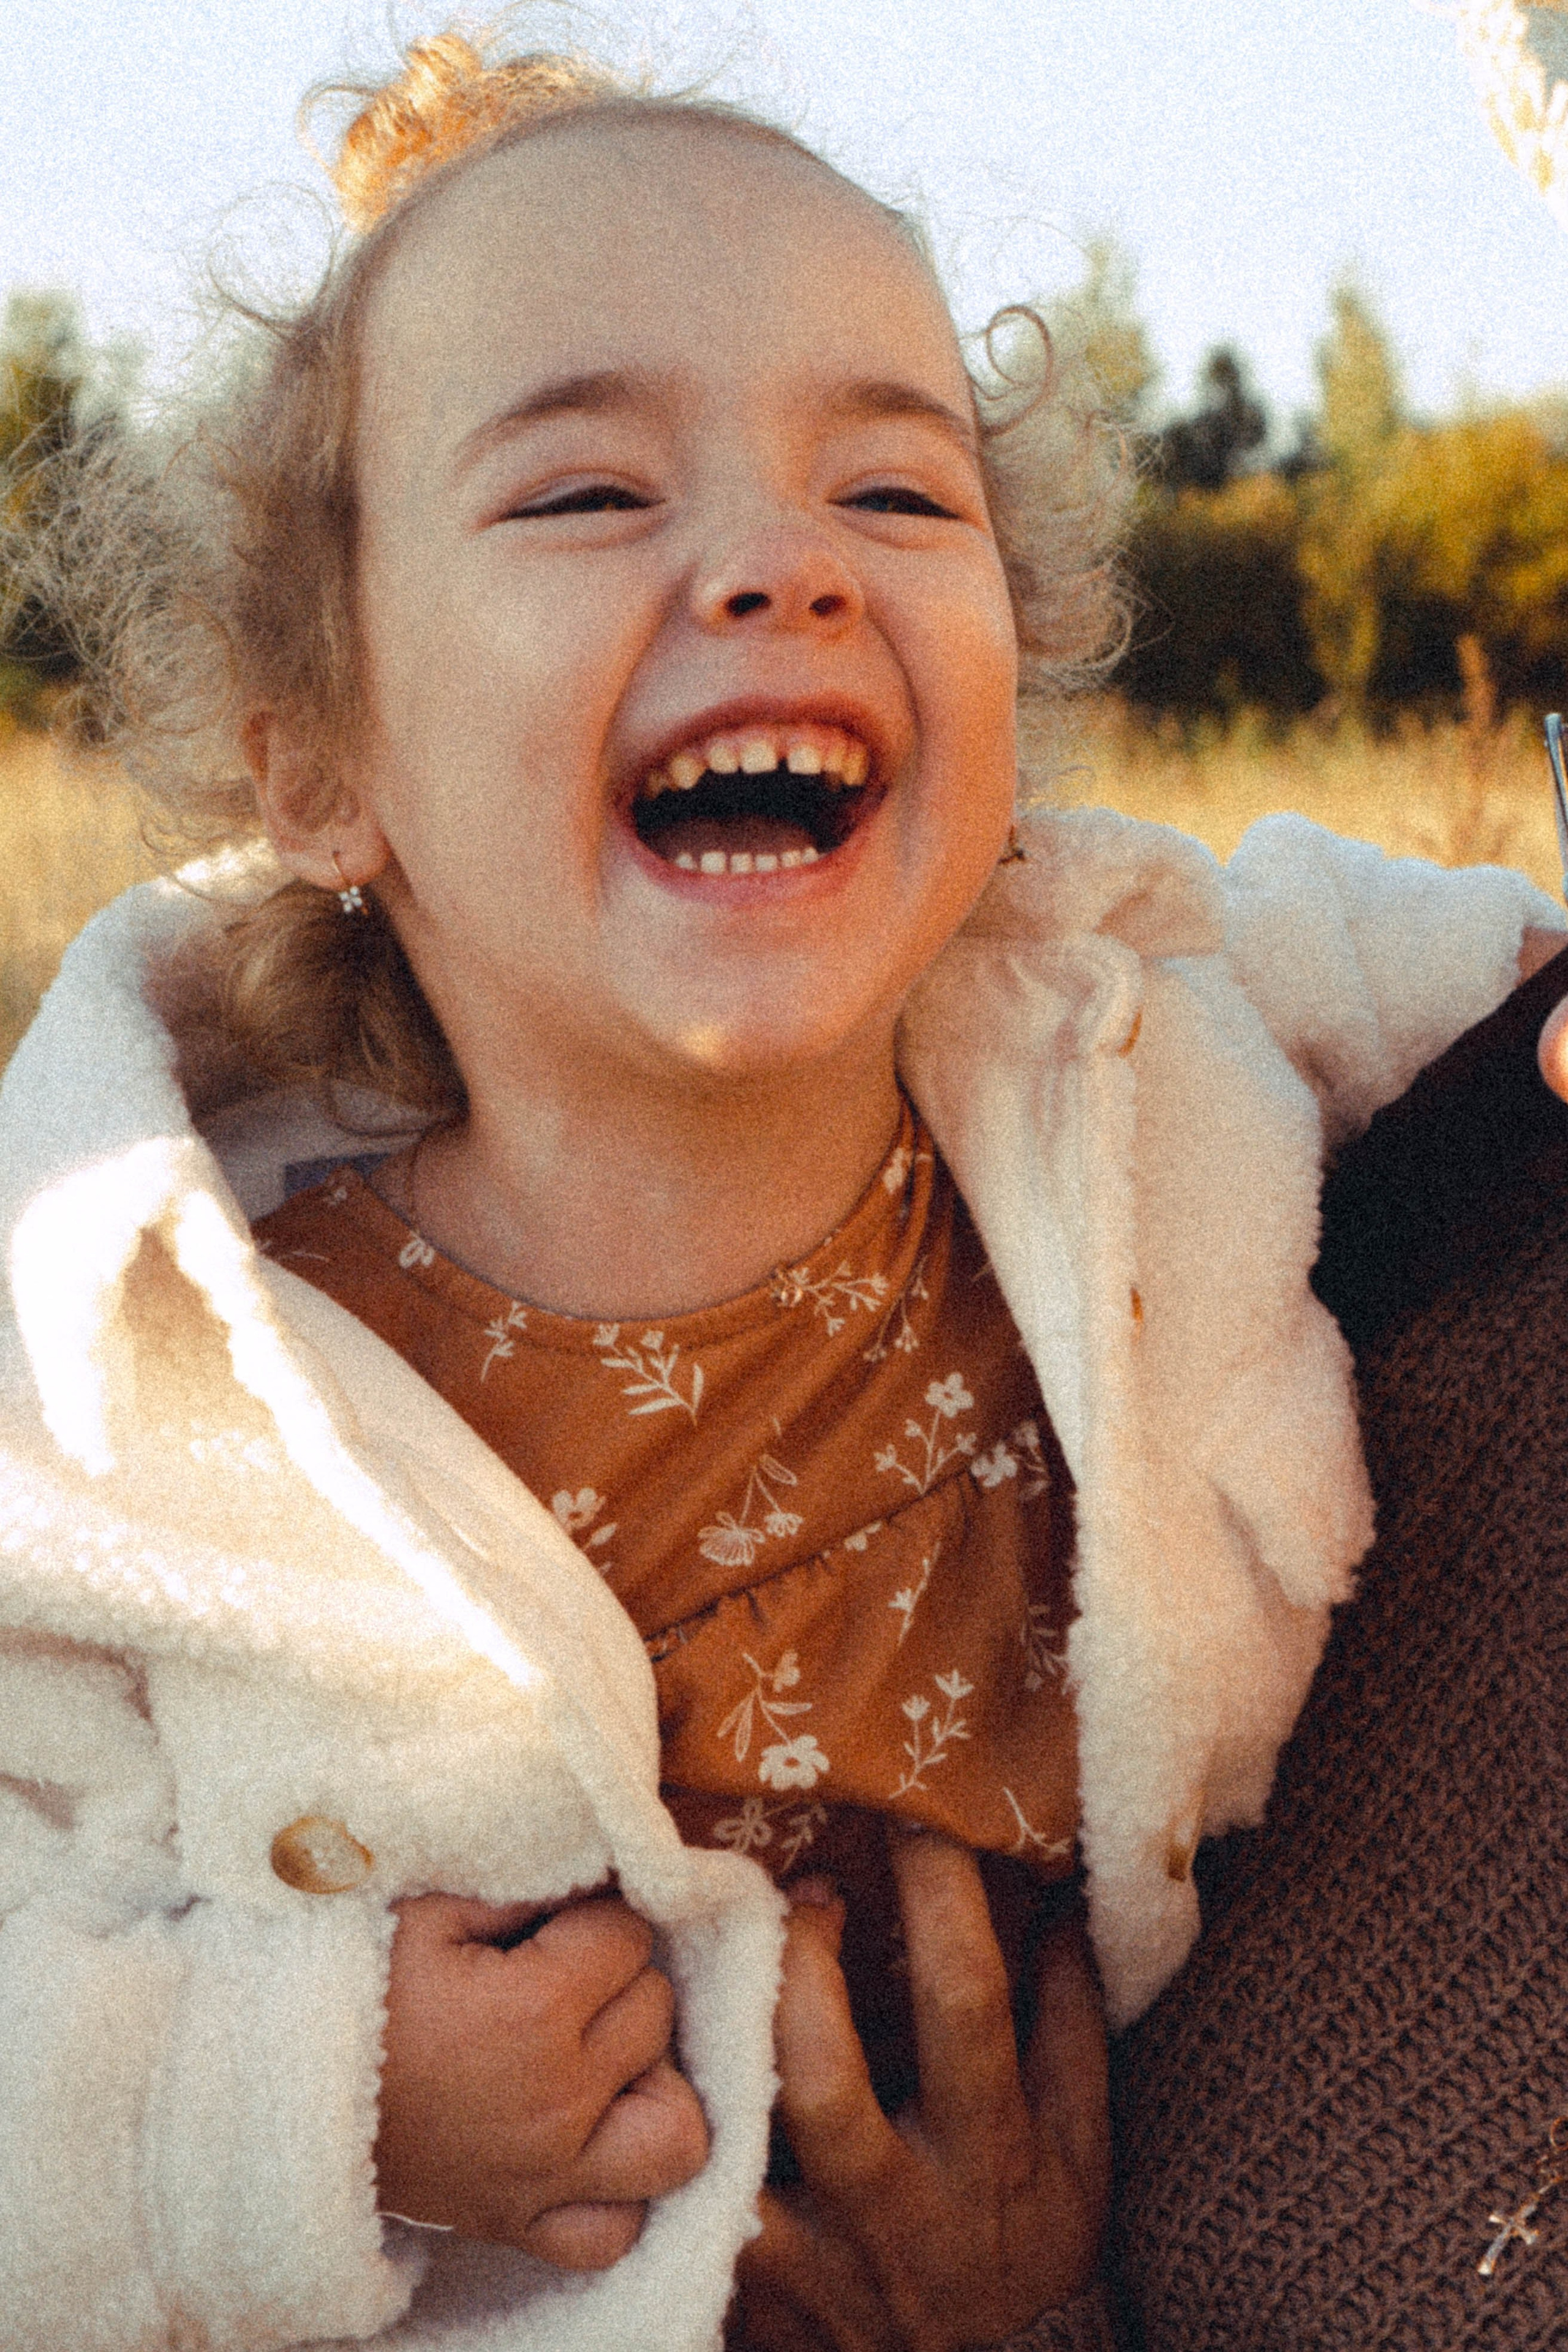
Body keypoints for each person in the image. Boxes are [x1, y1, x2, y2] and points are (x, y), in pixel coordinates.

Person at [0, 28, 1557, 2352]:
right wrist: (313, 2100)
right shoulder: (145, 1396)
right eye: (585, 495)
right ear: (319, 764)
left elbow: (1511, 997)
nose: (781, 564)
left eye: (900, 501)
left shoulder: (1145, 1040)